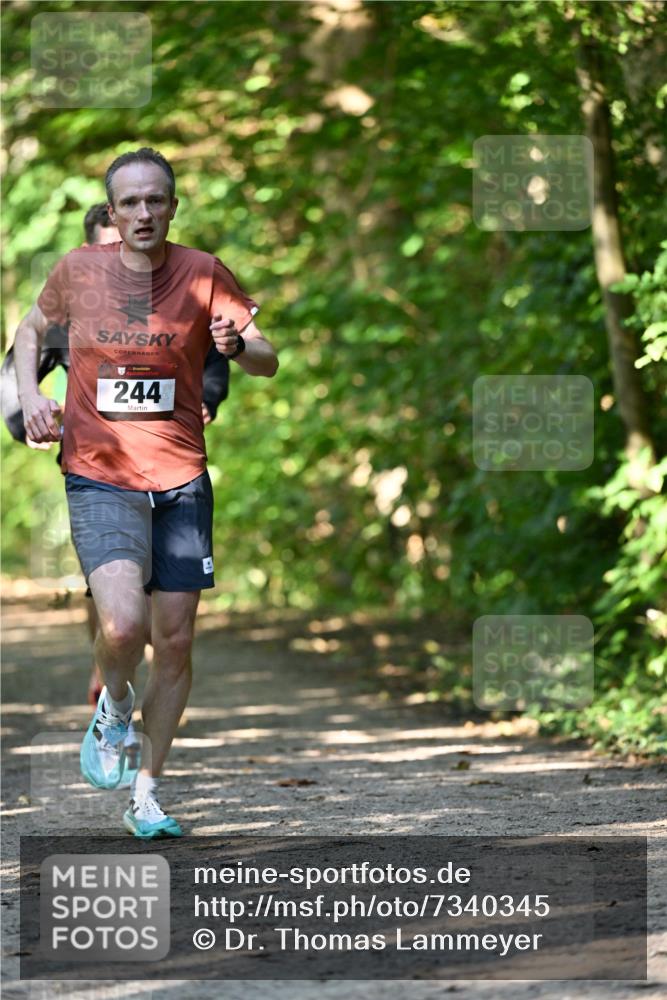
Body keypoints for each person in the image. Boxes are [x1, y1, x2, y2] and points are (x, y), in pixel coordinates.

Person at [13, 147, 278, 838]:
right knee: (125, 627)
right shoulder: (78, 270)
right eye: (129, 202)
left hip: (183, 479)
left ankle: (148, 793)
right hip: (100, 473)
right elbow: (28, 331)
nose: (143, 212)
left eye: (154, 200)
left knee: (178, 639)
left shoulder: (204, 272)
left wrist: (235, 345)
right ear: (113, 209)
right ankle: (114, 705)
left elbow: (266, 357)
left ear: (172, 206)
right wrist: (28, 395)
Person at [2, 202, 233, 707]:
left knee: (156, 591)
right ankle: (108, 660)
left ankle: (131, 676)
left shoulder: (176, 290)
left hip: (169, 463)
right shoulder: (74, 300)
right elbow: (15, 368)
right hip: (96, 463)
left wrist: (209, 399)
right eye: (110, 241)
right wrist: (28, 419)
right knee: (112, 586)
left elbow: (215, 354)